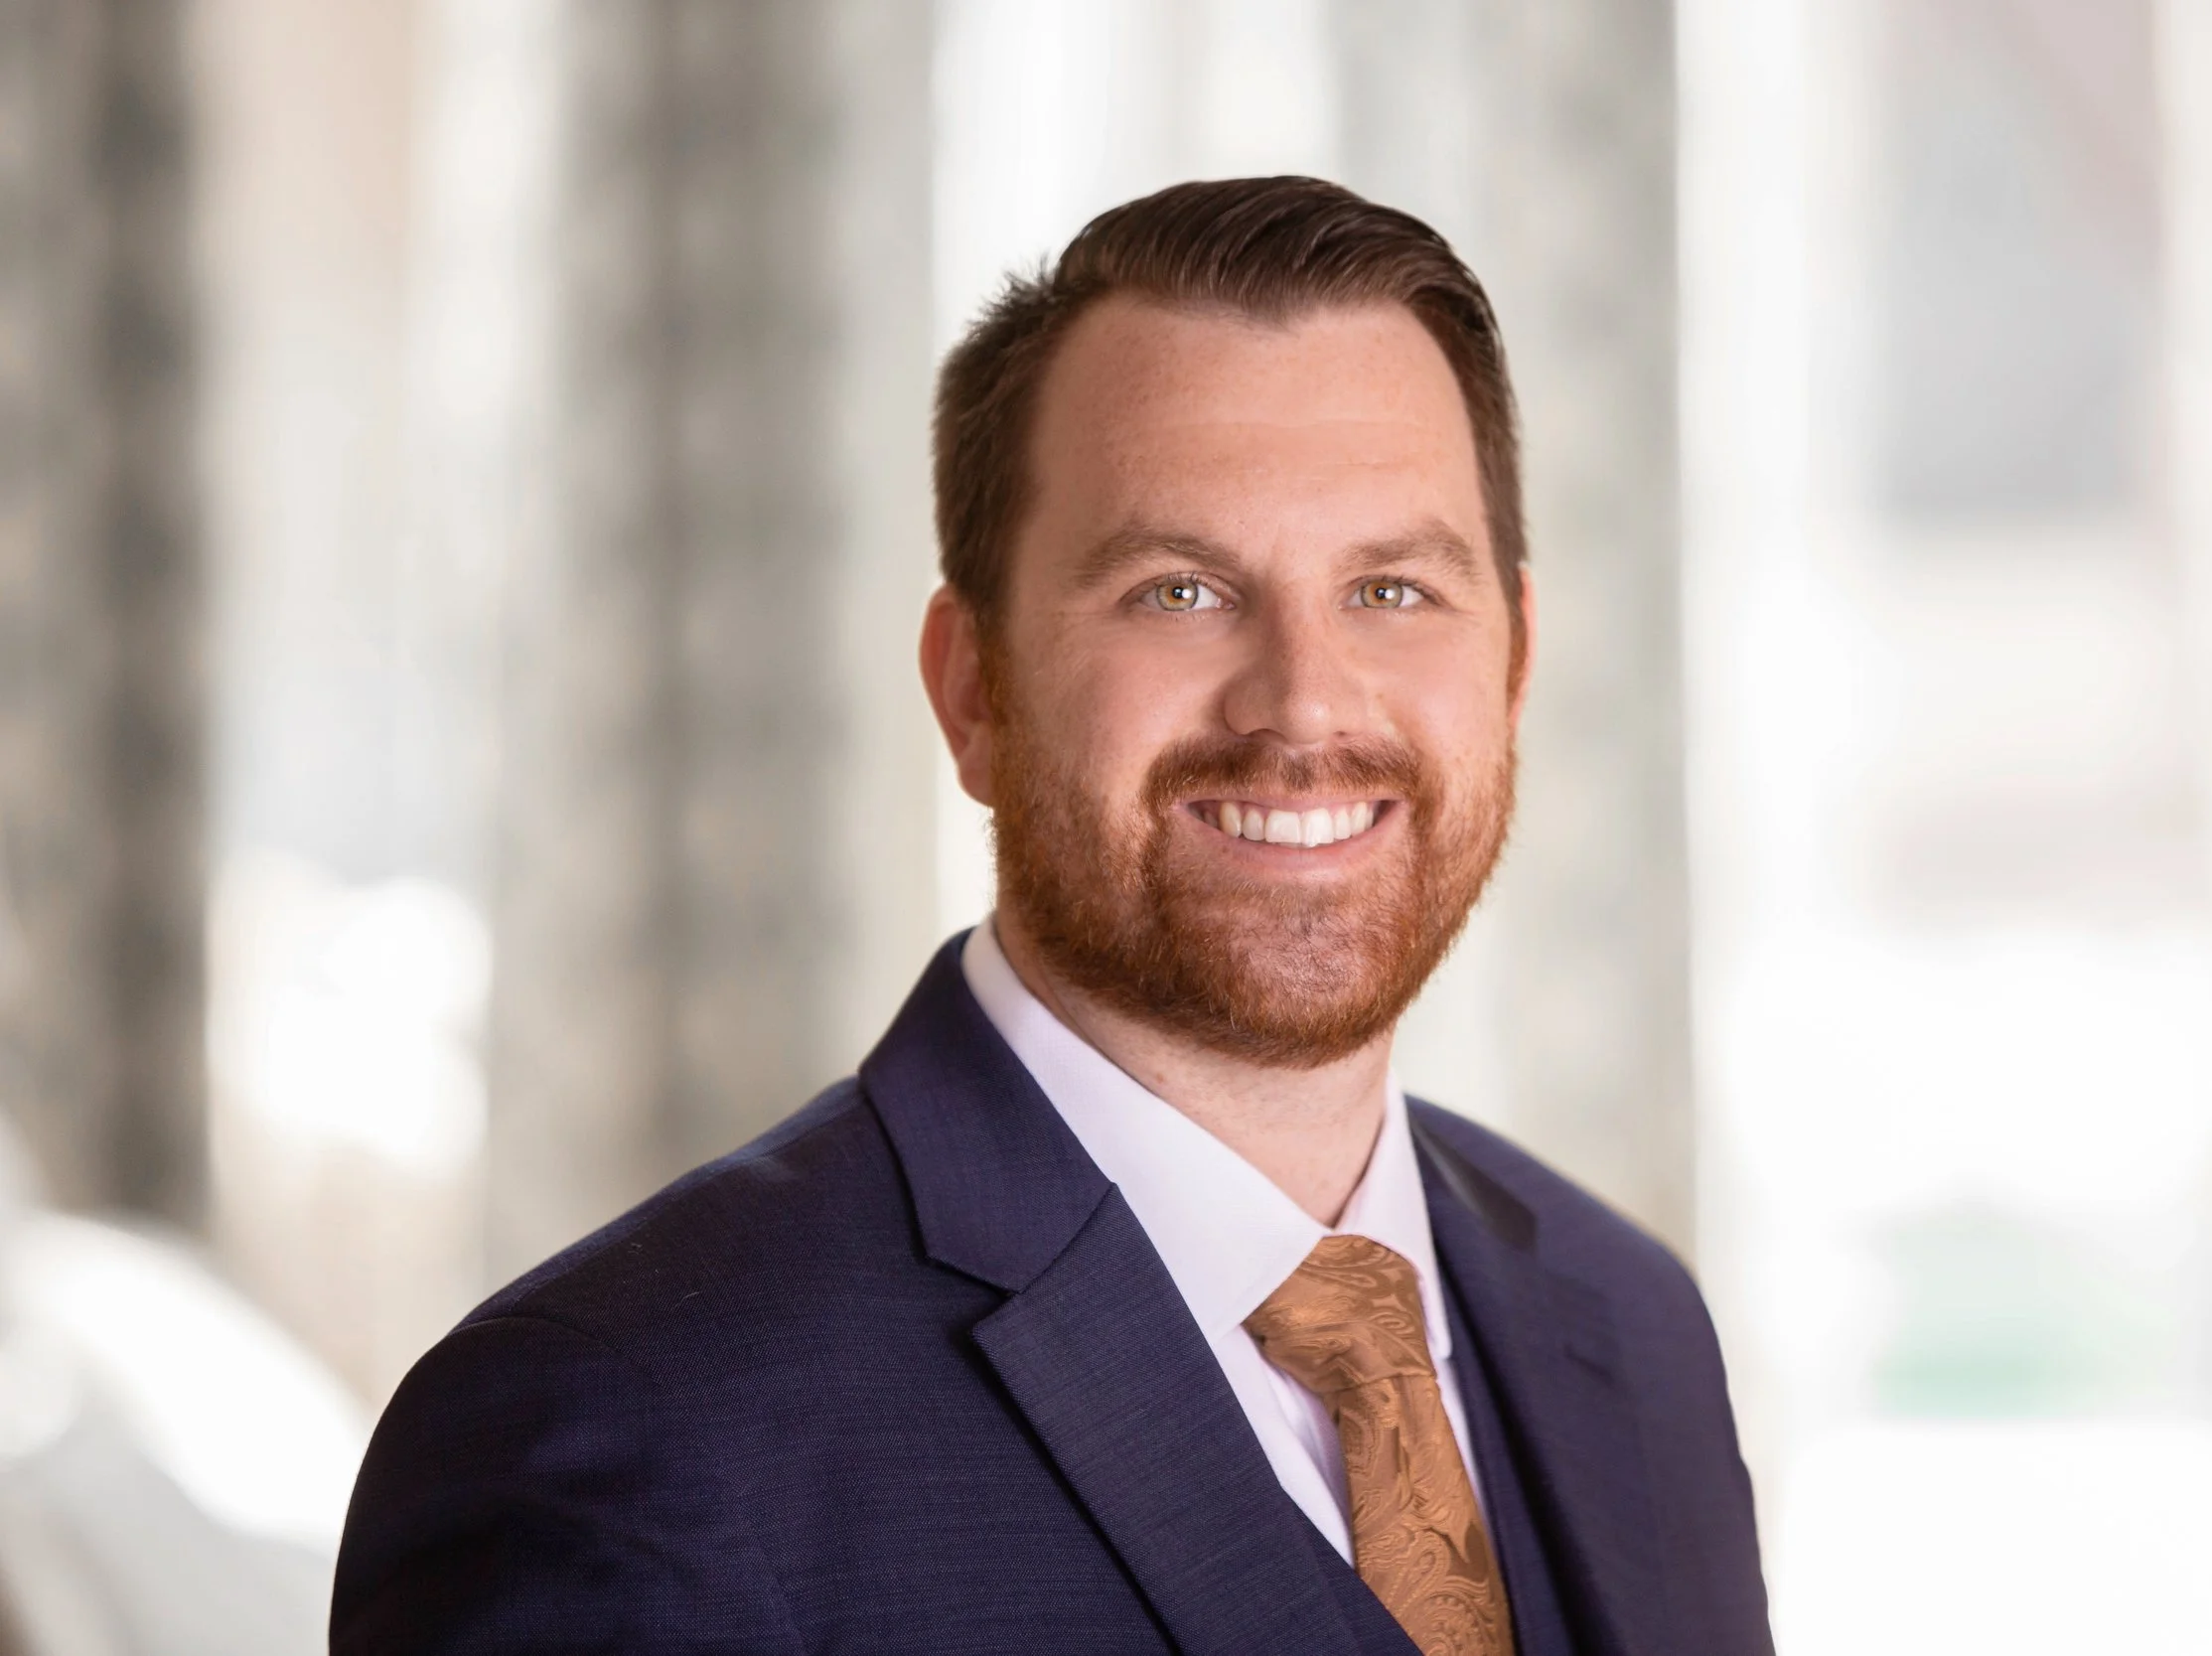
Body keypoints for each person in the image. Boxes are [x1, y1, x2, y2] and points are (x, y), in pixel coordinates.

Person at [331, 176, 1772, 1656]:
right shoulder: (620, 1439)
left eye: (1393, 589)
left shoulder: (1630, 1328)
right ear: (973, 688)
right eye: (1180, 592)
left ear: (1516, 663)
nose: (1305, 703)